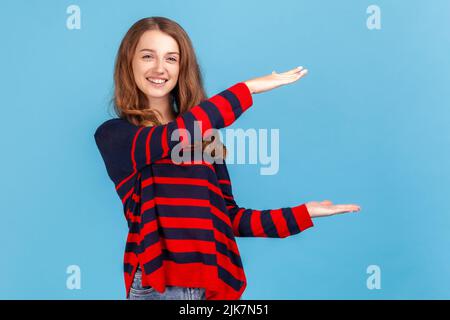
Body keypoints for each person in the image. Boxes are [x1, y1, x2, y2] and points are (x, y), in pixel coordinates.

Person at [94, 16, 361, 300]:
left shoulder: (205, 139)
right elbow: (168, 137)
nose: (160, 68)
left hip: (210, 285)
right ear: (129, 63)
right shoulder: (117, 136)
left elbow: (228, 218)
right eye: (148, 56)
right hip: (159, 286)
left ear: (182, 68)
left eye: (171, 58)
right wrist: (247, 89)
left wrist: (302, 213)